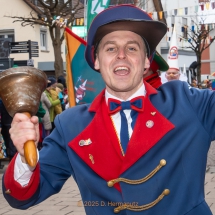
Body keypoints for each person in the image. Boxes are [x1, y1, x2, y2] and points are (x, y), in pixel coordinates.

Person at [2, 5, 214, 215]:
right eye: (110, 48)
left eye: (132, 48)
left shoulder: (188, 102)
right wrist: (23, 155)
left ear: (146, 62)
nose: (121, 55)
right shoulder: (71, 124)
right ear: (96, 61)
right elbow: (25, 196)